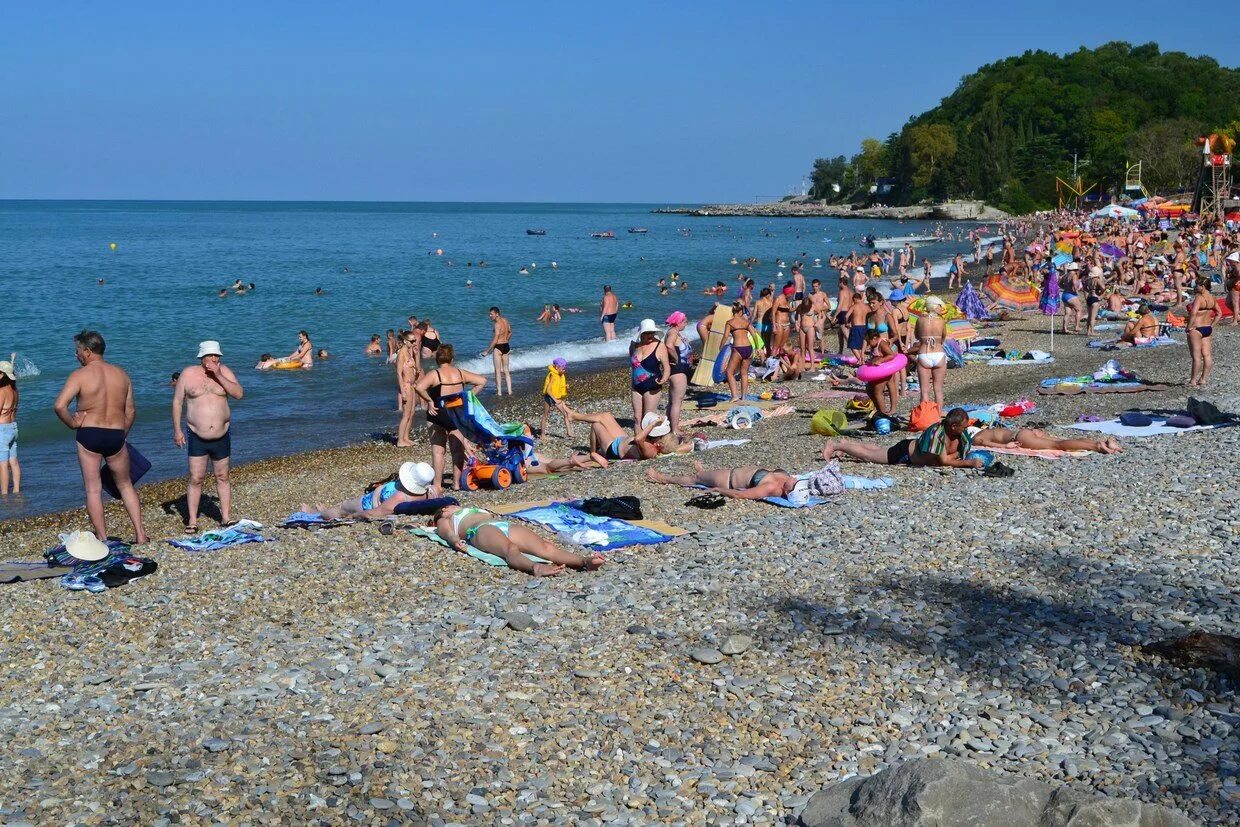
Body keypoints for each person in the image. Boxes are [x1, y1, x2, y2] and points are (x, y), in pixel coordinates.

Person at [53, 330, 148, 544]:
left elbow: (59, 406)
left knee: (93, 489)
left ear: (87, 351)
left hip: (90, 434)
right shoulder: (121, 374)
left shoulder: (79, 375)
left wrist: (72, 423)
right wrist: (122, 435)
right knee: (125, 485)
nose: (76, 355)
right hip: (115, 434)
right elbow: (131, 411)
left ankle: (103, 538)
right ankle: (141, 535)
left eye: (77, 351)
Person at [172, 341, 244, 531]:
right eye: (211, 356)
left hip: (222, 435)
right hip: (197, 436)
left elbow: (238, 394)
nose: (214, 359)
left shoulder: (225, 372)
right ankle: (192, 521)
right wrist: (177, 430)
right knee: (196, 478)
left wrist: (219, 374)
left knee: (222, 476)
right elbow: (178, 402)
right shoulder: (188, 374)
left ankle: (226, 518)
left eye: (217, 356)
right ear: (202, 358)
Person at [430, 504, 604, 577]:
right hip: (480, 530)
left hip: (502, 524)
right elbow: (446, 533)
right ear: (445, 509)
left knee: (546, 546)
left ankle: (584, 561)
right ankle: (535, 567)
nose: (456, 505)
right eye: (452, 505)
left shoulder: (472, 509)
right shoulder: (445, 519)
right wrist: (455, 541)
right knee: (510, 549)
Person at [414, 344, 488, 490]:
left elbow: (419, 387)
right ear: (452, 358)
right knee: (457, 450)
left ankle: (437, 485)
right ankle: (456, 483)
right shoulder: (460, 373)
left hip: (438, 413)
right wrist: (468, 396)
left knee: (438, 451)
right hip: (456, 415)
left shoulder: (435, 374)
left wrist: (429, 401)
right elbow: (482, 381)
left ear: (437, 359)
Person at [820, 408, 982, 469]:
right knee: (868, 456)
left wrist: (952, 456)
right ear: (953, 426)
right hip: (905, 453)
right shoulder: (937, 434)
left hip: (908, 449)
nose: (967, 428)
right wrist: (969, 463)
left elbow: (949, 456)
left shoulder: (959, 434)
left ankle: (846, 445)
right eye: (964, 426)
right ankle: (836, 445)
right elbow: (943, 461)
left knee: (876, 450)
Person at [304, 462, 438, 520]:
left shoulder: (400, 497)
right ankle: (324, 511)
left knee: (341, 509)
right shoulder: (431, 493)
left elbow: (374, 513)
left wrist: (354, 516)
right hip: (372, 499)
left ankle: (319, 514)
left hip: (365, 504)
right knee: (342, 506)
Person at [646, 461, 798, 499]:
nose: (796, 480)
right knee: (703, 475)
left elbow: (741, 495)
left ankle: (664, 478)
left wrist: (719, 490)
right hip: (733, 472)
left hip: (727, 479)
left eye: (795, 484)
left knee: (695, 479)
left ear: (788, 491)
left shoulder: (770, 488)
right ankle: (705, 473)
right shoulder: (788, 479)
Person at [566, 409, 663, 463]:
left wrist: (653, 424)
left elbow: (638, 439)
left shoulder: (650, 449)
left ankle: (593, 453)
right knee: (606, 415)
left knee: (596, 424)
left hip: (613, 450)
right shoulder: (654, 440)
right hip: (622, 440)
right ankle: (574, 416)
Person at [971, 426, 1122, 455]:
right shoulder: (987, 429)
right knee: (1065, 440)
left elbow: (985, 443)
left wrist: (1005, 445)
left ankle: (1097, 446)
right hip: (1023, 431)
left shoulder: (976, 437)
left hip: (1018, 438)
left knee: (1058, 445)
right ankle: (1104, 441)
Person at [630, 319, 669, 426]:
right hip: (636, 386)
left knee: (648, 418)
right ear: (641, 334)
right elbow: (634, 365)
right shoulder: (635, 346)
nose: (650, 335)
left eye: (652, 332)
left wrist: (664, 378)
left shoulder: (659, 346)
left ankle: (648, 441)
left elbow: (666, 366)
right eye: (647, 333)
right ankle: (638, 441)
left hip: (652, 386)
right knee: (637, 418)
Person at [912, 296, 947, 409]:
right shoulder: (941, 321)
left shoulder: (920, 320)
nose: (941, 308)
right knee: (938, 389)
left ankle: (926, 417)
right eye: (939, 306)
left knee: (924, 391)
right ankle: (937, 416)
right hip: (938, 353)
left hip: (924, 353)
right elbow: (943, 338)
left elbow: (917, 336)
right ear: (933, 306)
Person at [663, 311, 693, 435]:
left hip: (680, 369)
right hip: (678, 370)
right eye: (685, 321)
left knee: (673, 400)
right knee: (677, 400)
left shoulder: (675, 333)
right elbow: (669, 345)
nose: (686, 324)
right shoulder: (672, 333)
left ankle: (670, 425)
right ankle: (675, 429)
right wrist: (675, 358)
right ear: (678, 322)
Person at [1187, 278, 1220, 387]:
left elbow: (1193, 313)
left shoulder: (1199, 298)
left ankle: (1193, 380)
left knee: (1196, 356)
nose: (1196, 287)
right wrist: (1212, 325)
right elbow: (1219, 313)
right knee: (1207, 355)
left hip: (1197, 329)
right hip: (1207, 328)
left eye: (1197, 285)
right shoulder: (1212, 298)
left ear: (1203, 286)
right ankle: (1203, 379)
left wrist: (1188, 326)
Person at [722, 301, 754, 403]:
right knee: (744, 373)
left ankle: (735, 396)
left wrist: (720, 348)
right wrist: (757, 348)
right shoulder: (746, 322)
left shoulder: (729, 322)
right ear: (740, 311)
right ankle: (744, 397)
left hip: (738, 348)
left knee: (729, 372)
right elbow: (754, 335)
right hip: (748, 348)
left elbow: (726, 337)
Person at [395, 330, 420, 448]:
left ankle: (406, 437)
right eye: (412, 341)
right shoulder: (401, 354)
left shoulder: (410, 352)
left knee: (412, 412)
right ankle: (400, 440)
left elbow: (418, 369)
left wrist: (417, 354)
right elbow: (399, 374)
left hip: (412, 385)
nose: (414, 342)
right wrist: (403, 391)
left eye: (415, 340)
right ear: (405, 341)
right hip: (406, 385)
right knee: (406, 414)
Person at [540, 357, 573, 438]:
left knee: (565, 414)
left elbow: (558, 386)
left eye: (565, 369)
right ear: (556, 367)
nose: (564, 370)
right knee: (545, 415)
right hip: (549, 397)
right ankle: (542, 434)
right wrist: (555, 400)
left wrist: (566, 387)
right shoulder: (553, 375)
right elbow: (548, 390)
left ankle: (569, 432)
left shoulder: (560, 375)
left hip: (556, 397)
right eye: (563, 369)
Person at [0, 357, 19, 495]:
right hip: (13, 427)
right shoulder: (15, 390)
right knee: (14, 462)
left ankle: (5, 493)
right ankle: (17, 490)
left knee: (3, 464)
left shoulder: (1, 391)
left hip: (2, 430)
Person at [484, 307, 512, 396]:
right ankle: (510, 391)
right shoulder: (505, 320)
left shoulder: (497, 324)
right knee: (506, 370)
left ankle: (499, 392)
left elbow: (495, 338)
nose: (490, 316)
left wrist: (487, 351)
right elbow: (510, 332)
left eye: (491, 314)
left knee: (497, 370)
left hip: (499, 347)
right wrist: (506, 340)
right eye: (489, 314)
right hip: (506, 346)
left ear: (497, 314)